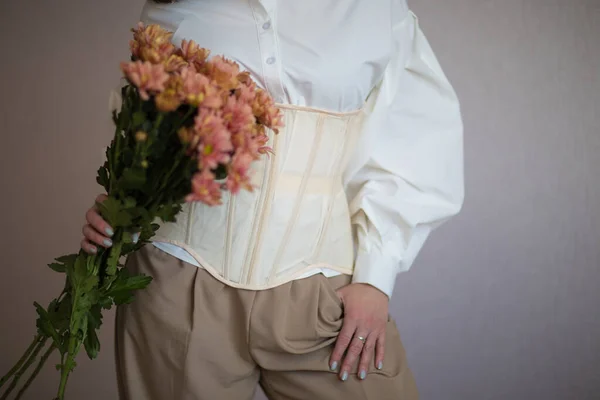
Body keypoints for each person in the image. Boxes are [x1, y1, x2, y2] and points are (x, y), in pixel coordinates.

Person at [81, 0, 464, 398]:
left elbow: (418, 137)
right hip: (178, 278)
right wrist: (121, 204)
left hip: (319, 285)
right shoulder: (178, 5)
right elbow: (147, 126)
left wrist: (376, 278)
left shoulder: (375, 10)